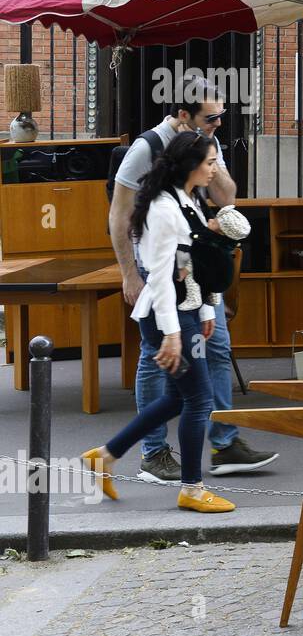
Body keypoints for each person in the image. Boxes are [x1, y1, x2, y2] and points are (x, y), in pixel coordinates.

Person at [108, 79, 277, 485]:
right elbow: (119, 214)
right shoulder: (148, 148)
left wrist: (210, 158)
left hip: (194, 266)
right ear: (182, 115)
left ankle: (224, 443)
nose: (218, 123)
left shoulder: (206, 150)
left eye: (223, 116)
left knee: (216, 348)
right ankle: (154, 453)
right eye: (210, 117)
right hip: (161, 266)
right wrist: (129, 272)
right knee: (160, 358)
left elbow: (228, 196)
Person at [82, 133, 236, 513]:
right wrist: (172, 334)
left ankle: (106, 455)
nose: (214, 168)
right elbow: (163, 275)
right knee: (198, 400)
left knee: (176, 397)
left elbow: (189, 265)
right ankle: (191, 489)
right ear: (190, 165)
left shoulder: (188, 200)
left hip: (181, 313)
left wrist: (202, 311)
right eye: (210, 162)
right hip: (167, 315)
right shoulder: (166, 209)